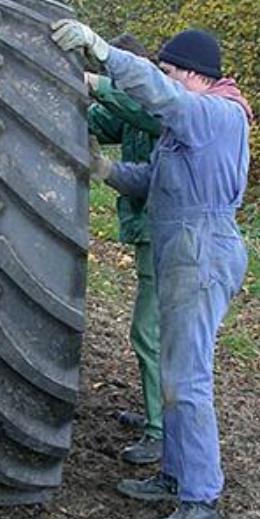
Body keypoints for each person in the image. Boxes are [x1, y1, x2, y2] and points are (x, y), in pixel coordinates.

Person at [53, 21, 251, 519]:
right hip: (180, 245)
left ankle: (201, 499)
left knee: (188, 379)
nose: (164, 80)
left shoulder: (218, 114)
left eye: (168, 71)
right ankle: (173, 475)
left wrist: (102, 56)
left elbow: (163, 98)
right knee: (172, 371)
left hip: (202, 248)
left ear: (192, 74)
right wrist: (102, 168)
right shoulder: (190, 126)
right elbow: (154, 183)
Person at [87, 34, 163, 465]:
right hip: (149, 233)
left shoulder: (158, 106)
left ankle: (161, 431)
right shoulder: (131, 109)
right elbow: (100, 120)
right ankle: (157, 413)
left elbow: (143, 112)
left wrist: (93, 81)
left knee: (150, 334)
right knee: (151, 333)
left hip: (164, 235)